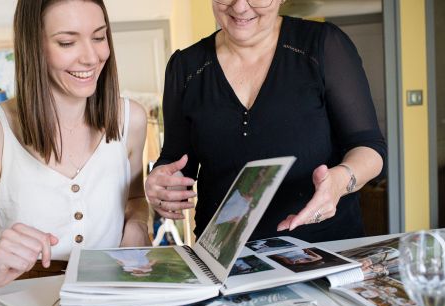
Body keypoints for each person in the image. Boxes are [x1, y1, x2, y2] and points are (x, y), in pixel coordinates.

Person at [0, 0, 150, 296]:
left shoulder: (131, 119)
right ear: (33, 46)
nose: (91, 57)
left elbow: (134, 197)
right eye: (67, 42)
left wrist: (139, 223)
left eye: (99, 37)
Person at [145, 0, 386, 243]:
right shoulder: (185, 68)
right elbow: (175, 161)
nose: (240, 7)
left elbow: (370, 148)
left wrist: (341, 181)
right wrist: (160, 183)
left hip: (325, 250)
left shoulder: (322, 45)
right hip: (225, 259)